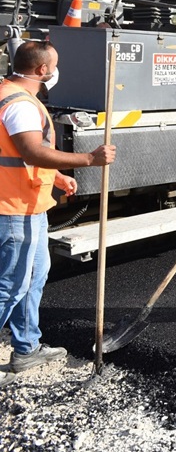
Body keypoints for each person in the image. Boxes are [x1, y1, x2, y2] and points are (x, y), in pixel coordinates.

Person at [0, 41, 116, 387]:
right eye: (55, 65)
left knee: (33, 277)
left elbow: (17, 154)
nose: (56, 70)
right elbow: (32, 152)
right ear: (41, 71)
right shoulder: (20, 104)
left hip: (26, 203)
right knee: (10, 284)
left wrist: (58, 175)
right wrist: (87, 160)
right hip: (14, 207)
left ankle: (26, 348)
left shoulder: (8, 92)